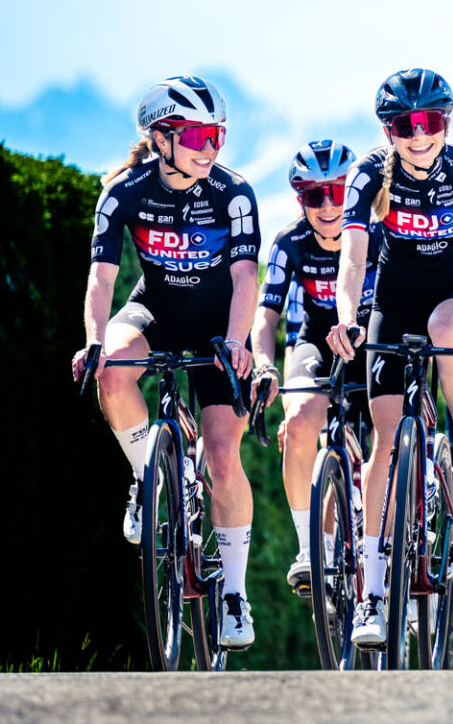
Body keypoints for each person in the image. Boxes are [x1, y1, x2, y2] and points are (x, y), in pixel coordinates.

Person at [69, 76, 262, 649]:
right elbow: (102, 278)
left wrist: (235, 340)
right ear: (161, 137)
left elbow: (245, 276)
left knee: (223, 458)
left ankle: (234, 594)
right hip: (154, 307)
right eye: (199, 136)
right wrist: (94, 341)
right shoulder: (123, 192)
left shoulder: (234, 191)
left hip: (217, 326)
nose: (211, 148)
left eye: (218, 135)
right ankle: (146, 478)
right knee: (111, 369)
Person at [329, 69, 453, 650]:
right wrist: (347, 317)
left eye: (430, 122)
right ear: (389, 130)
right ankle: (374, 596)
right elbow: (352, 260)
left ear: (446, 123)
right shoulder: (365, 174)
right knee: (384, 441)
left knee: (448, 325)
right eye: (405, 126)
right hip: (395, 300)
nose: (418, 135)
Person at [247, 139, 364, 594]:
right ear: (301, 199)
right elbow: (266, 315)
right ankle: (309, 548)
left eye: (338, 191)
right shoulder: (289, 242)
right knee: (297, 425)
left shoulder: (376, 232)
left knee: (388, 441)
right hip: (315, 339)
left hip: (371, 338)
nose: (329, 205)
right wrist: (263, 365)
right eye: (316, 195)